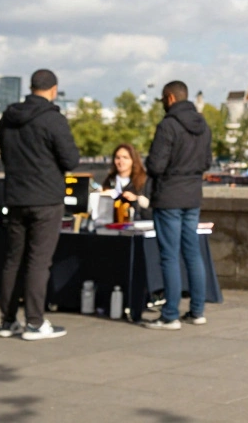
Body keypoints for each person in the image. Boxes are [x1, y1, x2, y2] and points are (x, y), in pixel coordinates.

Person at [0, 69, 80, 340]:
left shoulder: (8, 118)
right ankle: (35, 322)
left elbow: (4, 154)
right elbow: (70, 160)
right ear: (53, 89)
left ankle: (8, 320)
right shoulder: (53, 120)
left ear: (31, 87)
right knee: (38, 261)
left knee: (12, 260)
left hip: (16, 196)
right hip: (46, 198)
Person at [142, 80, 212, 330]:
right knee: (193, 254)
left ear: (170, 98)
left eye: (162, 98)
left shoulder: (168, 126)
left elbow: (156, 166)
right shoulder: (203, 125)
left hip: (169, 196)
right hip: (192, 196)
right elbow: (206, 162)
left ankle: (170, 314)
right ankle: (197, 311)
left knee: (169, 256)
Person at [97, 143, 148, 223]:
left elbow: (150, 209)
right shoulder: (109, 180)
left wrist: (135, 199)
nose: (121, 161)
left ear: (133, 160)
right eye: (118, 158)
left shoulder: (143, 181)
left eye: (125, 157)